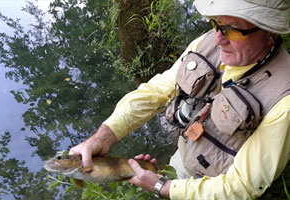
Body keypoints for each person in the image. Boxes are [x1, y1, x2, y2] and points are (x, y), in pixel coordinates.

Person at [69, 0, 290, 199]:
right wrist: (104, 137)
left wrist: (162, 188)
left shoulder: (284, 99)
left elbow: (242, 185)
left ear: (270, 32)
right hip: (180, 164)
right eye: (216, 24)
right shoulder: (205, 44)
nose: (218, 39)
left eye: (232, 30)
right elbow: (154, 92)